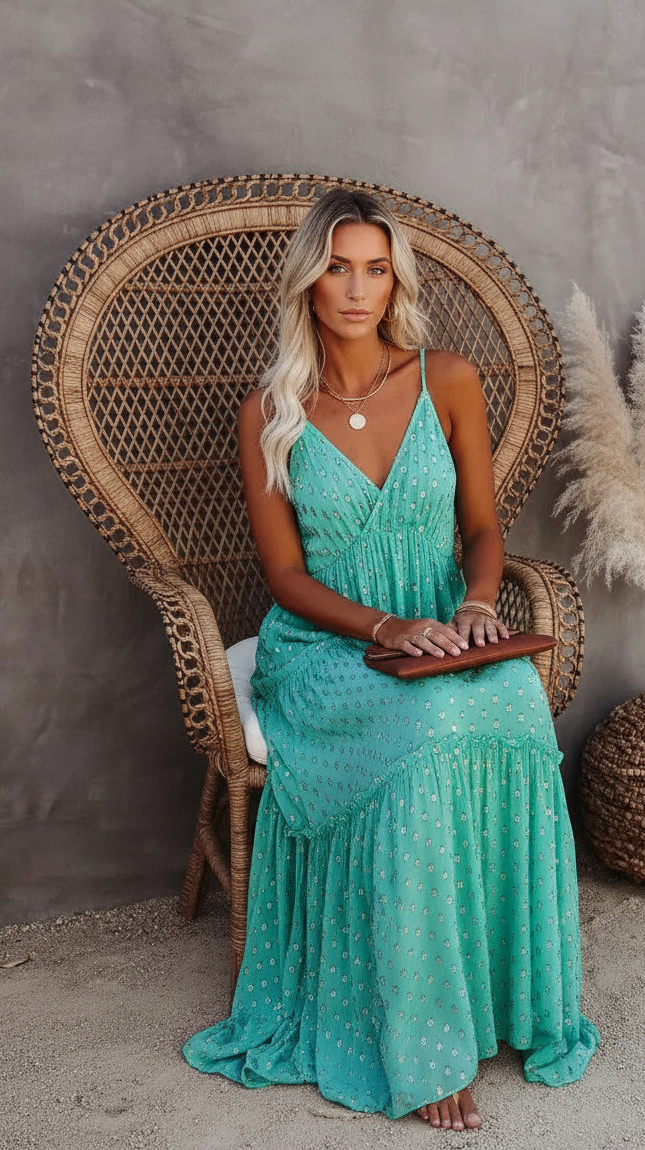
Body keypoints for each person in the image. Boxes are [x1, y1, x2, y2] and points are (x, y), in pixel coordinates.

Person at [182, 187, 599, 1130]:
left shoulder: (446, 378)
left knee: (514, 709)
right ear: (307, 283)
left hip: (450, 624)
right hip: (328, 648)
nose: (358, 288)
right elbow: (285, 577)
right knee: (425, 724)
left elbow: (486, 528)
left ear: (396, 280)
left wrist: (477, 606)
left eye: (375, 268)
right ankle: (427, 1041)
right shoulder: (269, 412)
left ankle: (504, 1001)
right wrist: (384, 629)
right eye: (337, 267)